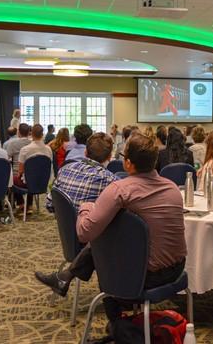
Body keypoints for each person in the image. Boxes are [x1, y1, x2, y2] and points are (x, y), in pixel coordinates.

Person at [39, 134, 187, 323]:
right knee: (114, 232)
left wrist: (87, 207)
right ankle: (67, 278)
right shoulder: (173, 188)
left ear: (128, 163)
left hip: (144, 276)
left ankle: (118, 326)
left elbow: (83, 233)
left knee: (103, 238)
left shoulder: (120, 189)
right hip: (177, 268)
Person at [34, 133, 117, 295]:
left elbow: (50, 205)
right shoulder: (110, 181)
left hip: (68, 237)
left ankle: (65, 276)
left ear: (85, 153)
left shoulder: (65, 169)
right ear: (110, 157)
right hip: (90, 241)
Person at [13, 124, 53, 214]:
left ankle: (22, 204)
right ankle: (29, 205)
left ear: (31, 134)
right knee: (30, 176)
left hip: (29, 182)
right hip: (43, 182)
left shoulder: (25, 149)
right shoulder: (48, 149)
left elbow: (20, 171)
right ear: (42, 134)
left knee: (14, 179)